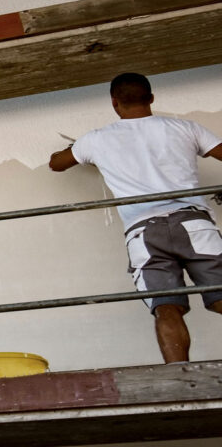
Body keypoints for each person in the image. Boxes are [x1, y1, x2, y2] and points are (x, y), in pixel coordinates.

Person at [49, 72, 222, 364]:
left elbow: (56, 164)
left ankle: (180, 376)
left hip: (143, 230)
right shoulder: (185, 128)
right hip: (193, 223)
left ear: (114, 103)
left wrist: (80, 149)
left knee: (165, 305)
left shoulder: (97, 139)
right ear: (151, 98)